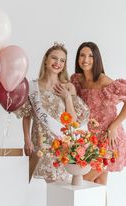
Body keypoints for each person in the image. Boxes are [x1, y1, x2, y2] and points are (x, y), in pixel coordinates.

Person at [71, 41, 126, 206]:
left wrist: (115, 125)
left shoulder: (104, 81)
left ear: (96, 59)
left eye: (90, 56)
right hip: (91, 142)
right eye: (82, 55)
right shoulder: (77, 81)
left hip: (108, 141)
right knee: (97, 187)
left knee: (81, 180)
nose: (86, 60)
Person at [15, 43, 89, 182]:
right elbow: (26, 116)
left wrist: (67, 97)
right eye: (54, 58)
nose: (58, 63)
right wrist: (27, 140)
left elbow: (73, 122)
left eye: (62, 60)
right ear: (46, 60)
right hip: (40, 145)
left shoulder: (68, 86)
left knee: (61, 189)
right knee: (41, 189)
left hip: (62, 146)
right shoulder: (32, 87)